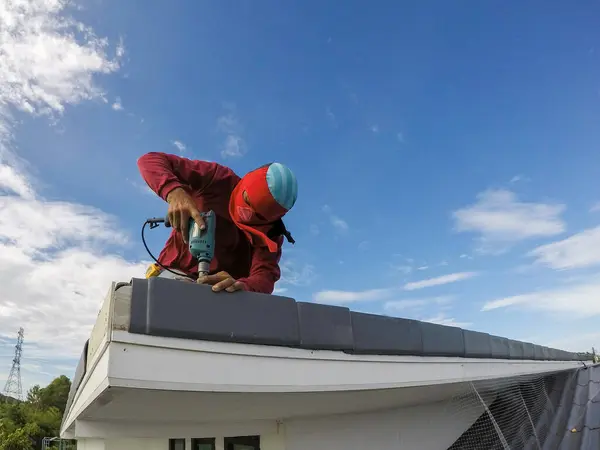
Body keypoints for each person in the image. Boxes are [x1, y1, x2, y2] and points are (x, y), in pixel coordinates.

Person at [137, 152, 298, 294]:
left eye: (259, 217)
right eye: (247, 201)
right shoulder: (217, 178)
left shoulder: (271, 233)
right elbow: (150, 160)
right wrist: (174, 192)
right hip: (172, 273)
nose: (247, 215)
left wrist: (244, 285)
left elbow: (264, 277)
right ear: (244, 181)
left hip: (220, 292)